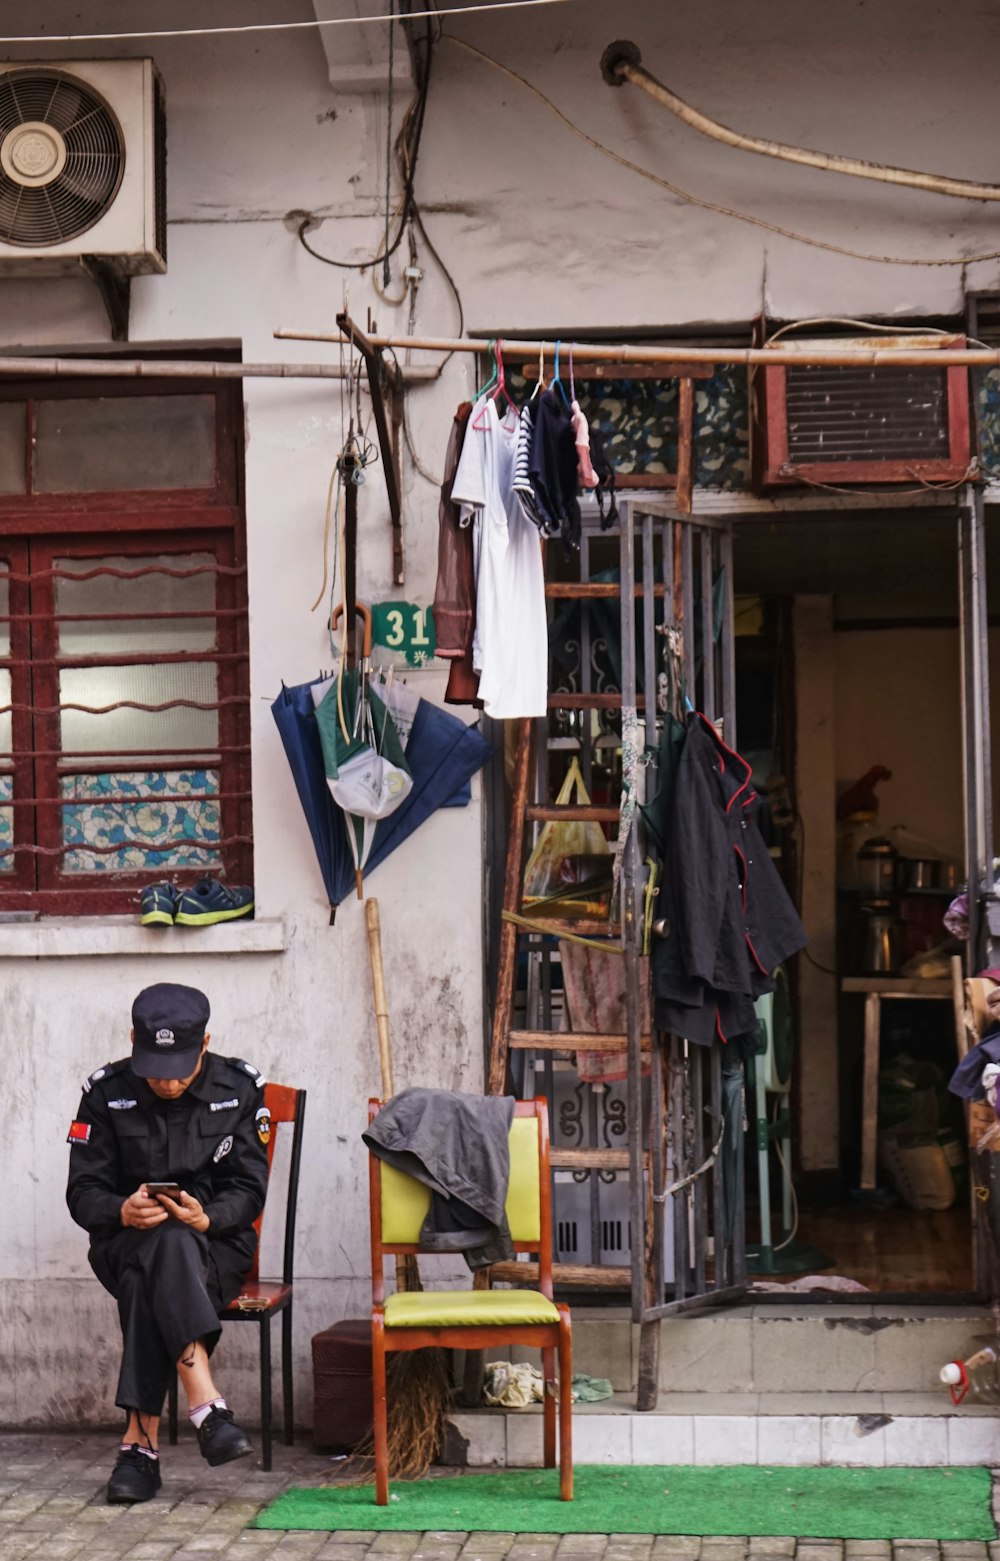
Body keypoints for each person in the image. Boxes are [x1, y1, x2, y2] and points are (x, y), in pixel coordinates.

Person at [66, 982, 270, 1504]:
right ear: (134, 1040)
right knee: (158, 1244)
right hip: (124, 1243)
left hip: (218, 1248)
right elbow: (82, 1191)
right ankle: (206, 1404)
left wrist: (208, 1217)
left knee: (157, 1265)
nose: (169, 1081)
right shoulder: (105, 1092)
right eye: (156, 1067)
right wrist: (120, 1209)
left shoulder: (240, 1088)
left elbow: (249, 1189)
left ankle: (139, 1451)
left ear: (205, 1044)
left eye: (181, 1066)